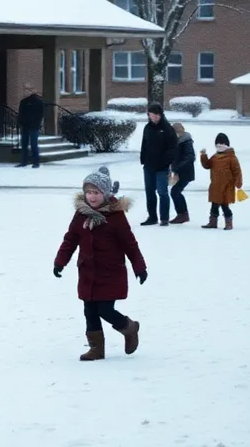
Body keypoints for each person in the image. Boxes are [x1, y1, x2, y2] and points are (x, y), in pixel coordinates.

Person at [53, 166, 147, 361]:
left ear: (105, 193)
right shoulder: (81, 215)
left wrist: (140, 266)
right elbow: (70, 239)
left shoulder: (116, 217)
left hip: (110, 273)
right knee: (89, 310)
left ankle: (129, 328)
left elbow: (130, 244)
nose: (92, 197)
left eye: (96, 192)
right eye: (88, 192)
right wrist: (60, 261)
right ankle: (96, 348)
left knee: (105, 309)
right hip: (88, 272)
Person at [139, 103, 178, 226]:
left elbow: (173, 148)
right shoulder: (147, 128)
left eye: (157, 114)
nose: (154, 116)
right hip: (149, 166)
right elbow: (144, 144)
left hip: (162, 167)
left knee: (162, 192)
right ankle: (152, 217)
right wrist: (143, 159)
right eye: (152, 114)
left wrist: (166, 161)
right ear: (148, 115)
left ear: (161, 115)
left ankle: (164, 218)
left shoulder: (167, 129)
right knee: (149, 192)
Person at [200, 133, 243, 230]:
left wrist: (238, 183)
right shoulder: (215, 156)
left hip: (227, 186)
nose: (219, 145)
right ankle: (213, 223)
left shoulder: (232, 157)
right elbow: (207, 165)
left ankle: (229, 223)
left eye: (222, 143)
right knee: (214, 205)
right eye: (217, 143)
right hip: (215, 185)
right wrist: (203, 156)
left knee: (224, 205)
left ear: (227, 144)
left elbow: (237, 171)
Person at [169, 122, 195, 224]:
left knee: (175, 192)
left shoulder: (186, 141)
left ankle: (182, 214)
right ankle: (183, 214)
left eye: (178, 131)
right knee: (176, 192)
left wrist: (177, 168)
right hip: (179, 172)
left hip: (185, 172)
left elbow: (190, 157)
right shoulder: (177, 141)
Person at [17, 84, 44, 169]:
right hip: (24, 126)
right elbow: (20, 114)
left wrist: (38, 124)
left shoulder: (38, 102)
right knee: (24, 144)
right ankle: (23, 161)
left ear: (32, 91)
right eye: (25, 90)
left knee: (33, 144)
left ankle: (36, 162)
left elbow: (41, 114)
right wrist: (20, 123)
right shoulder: (23, 102)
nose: (26, 92)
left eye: (28, 90)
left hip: (34, 126)